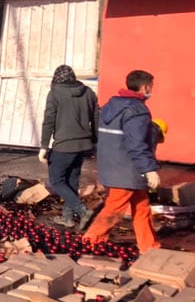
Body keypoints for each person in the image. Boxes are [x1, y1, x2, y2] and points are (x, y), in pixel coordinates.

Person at [82, 70, 161, 254]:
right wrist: (149, 169)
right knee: (114, 209)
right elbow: (137, 144)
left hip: (114, 167)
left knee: (141, 207)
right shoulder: (137, 111)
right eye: (152, 87)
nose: (152, 90)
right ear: (145, 87)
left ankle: (149, 246)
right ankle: (90, 241)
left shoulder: (111, 106)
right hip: (128, 170)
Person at [38, 64, 99, 230]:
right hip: (83, 145)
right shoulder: (88, 92)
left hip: (64, 145)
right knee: (72, 180)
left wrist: (44, 146)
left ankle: (82, 210)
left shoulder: (55, 93)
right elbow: (96, 118)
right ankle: (68, 218)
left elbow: (49, 120)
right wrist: (95, 141)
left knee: (57, 180)